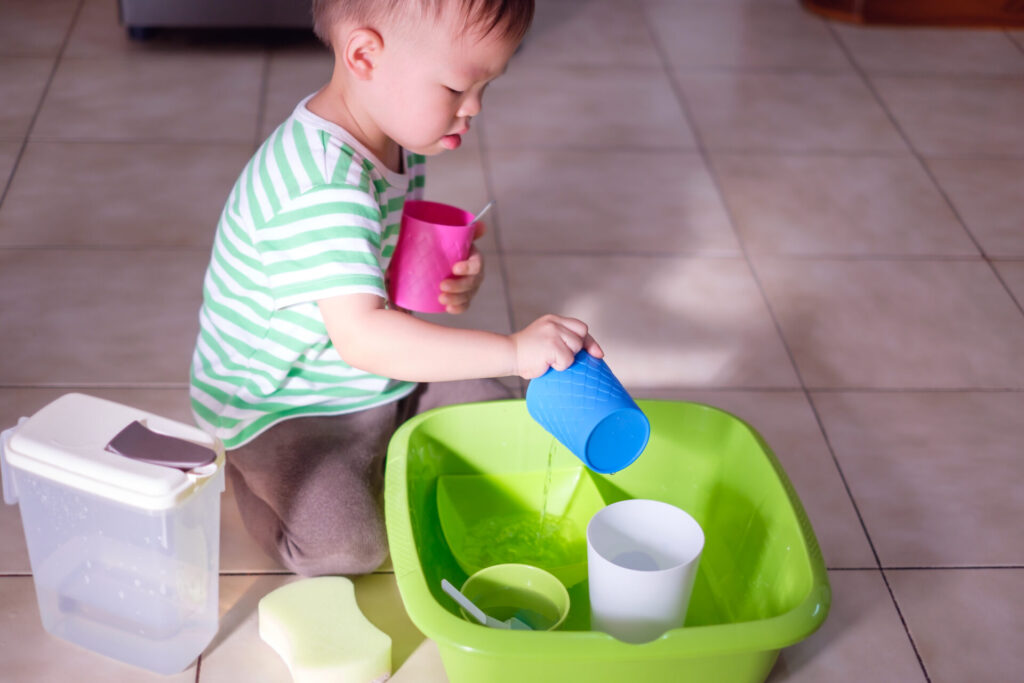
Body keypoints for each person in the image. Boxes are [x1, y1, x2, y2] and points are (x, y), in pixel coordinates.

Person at [189, 0, 602, 576]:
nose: (475, 107)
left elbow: (379, 275)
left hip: (373, 376)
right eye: (458, 87)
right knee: (349, 546)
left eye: (486, 85)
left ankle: (388, 453)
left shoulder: (391, 135)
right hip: (287, 405)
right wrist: (512, 350)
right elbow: (364, 337)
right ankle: (255, 483)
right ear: (364, 56)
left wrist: (446, 279)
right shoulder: (323, 187)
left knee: (507, 420)